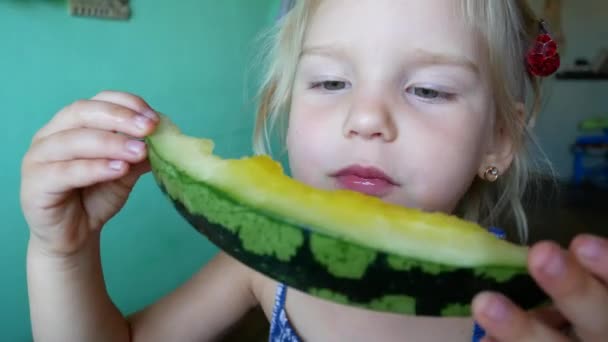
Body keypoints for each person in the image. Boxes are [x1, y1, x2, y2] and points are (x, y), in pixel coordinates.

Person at [20, 0, 608, 341]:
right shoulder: (260, 269)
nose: (366, 118)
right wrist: (62, 255)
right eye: (330, 82)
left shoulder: (528, 312)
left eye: (428, 89)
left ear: (499, 141)